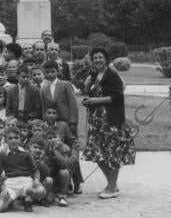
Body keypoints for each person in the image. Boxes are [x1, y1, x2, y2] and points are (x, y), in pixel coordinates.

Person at [82, 47, 135, 199]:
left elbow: (117, 97)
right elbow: (90, 93)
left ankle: (112, 186)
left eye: (100, 57)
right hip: (96, 121)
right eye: (95, 58)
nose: (98, 60)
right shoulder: (93, 75)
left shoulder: (113, 75)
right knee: (96, 152)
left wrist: (96, 100)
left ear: (106, 59)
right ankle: (112, 184)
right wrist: (86, 99)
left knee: (112, 153)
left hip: (110, 120)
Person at [0, 126, 46, 213]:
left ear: (20, 138)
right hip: (10, 184)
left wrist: (36, 179)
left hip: (25, 183)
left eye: (16, 138)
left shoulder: (26, 153)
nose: (13, 140)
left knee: (41, 191)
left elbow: (35, 170)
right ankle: (11, 199)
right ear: (5, 140)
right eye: (10, 138)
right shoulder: (2, 154)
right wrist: (3, 187)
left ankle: (28, 199)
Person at [39, 60, 78, 135]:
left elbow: (73, 104)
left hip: (66, 120)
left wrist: (73, 121)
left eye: (52, 71)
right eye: (47, 72)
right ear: (44, 73)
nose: (50, 74)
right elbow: (44, 107)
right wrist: (45, 120)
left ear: (57, 71)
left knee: (70, 140)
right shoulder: (44, 89)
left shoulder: (65, 84)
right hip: (52, 122)